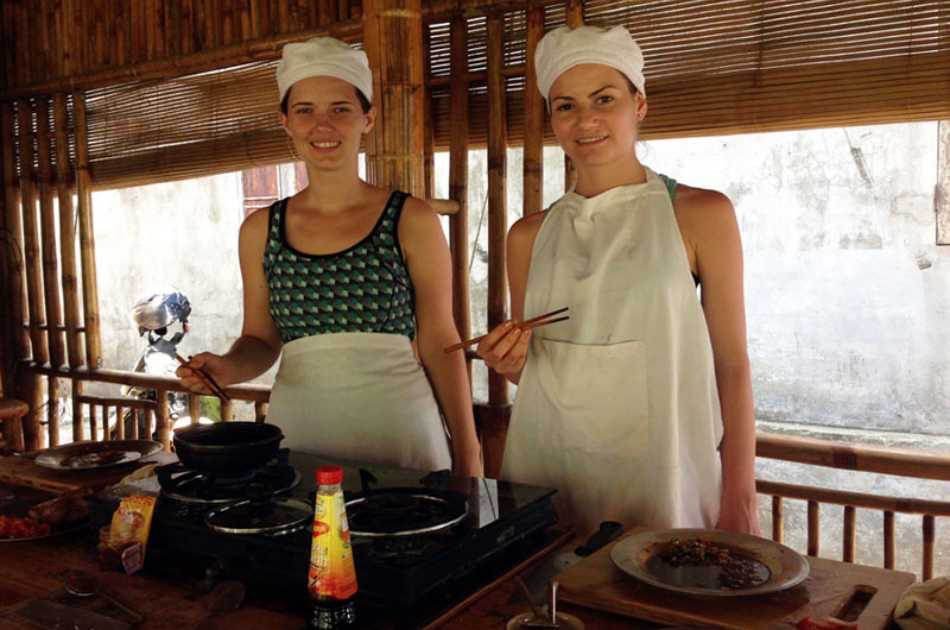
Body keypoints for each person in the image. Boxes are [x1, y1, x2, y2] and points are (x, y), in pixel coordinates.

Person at [476, 25, 760, 534]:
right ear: (552, 120)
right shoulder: (527, 236)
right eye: (565, 105)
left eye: (604, 98)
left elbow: (732, 363)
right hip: (549, 463)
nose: (586, 119)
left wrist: (739, 495)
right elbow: (539, 372)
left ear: (639, 104)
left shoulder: (701, 215)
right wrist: (510, 362)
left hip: (661, 470)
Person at [177, 37, 482, 478]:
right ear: (285, 121)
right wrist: (226, 367)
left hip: (399, 432)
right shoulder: (262, 230)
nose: (323, 125)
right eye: (305, 110)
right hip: (303, 433)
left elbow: (440, 340)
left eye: (340, 108)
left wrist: (468, 451)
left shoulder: (409, 218)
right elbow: (261, 341)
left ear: (367, 118)